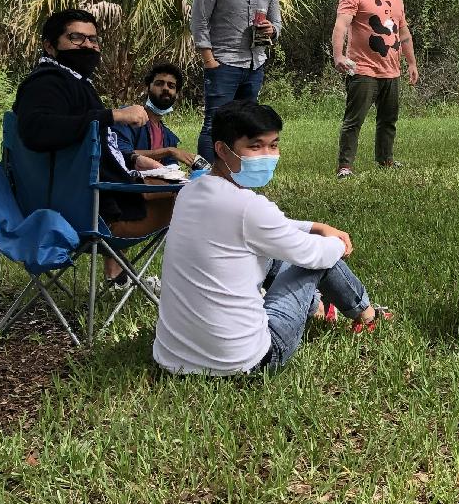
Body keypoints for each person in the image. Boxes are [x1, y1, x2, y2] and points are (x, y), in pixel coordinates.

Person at [153, 100, 390, 376]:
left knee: (282, 254)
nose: (267, 155)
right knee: (320, 259)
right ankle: (367, 314)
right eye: (255, 146)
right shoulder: (249, 208)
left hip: (172, 358)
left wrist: (315, 225)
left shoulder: (189, 191)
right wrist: (338, 243)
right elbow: (315, 255)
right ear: (222, 149)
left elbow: (270, 229)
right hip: (248, 361)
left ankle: (317, 307)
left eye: (273, 145)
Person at [13, 9, 170, 281]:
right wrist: (113, 115)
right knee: (198, 196)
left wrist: (131, 159)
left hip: (79, 197)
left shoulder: (73, 83)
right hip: (87, 213)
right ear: (50, 46)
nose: (87, 45)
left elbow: (79, 143)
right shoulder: (47, 83)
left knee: (179, 184)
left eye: (93, 40)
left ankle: (119, 275)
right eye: (76, 38)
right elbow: (37, 130)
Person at [189, 0, 283, 160]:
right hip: (223, 65)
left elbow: (278, 24)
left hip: (254, 66)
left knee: (245, 128)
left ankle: (237, 179)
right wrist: (209, 60)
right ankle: (207, 181)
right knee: (214, 124)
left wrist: (271, 30)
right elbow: (198, 21)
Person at [331, 0, 420, 178]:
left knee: (388, 120)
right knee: (354, 120)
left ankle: (385, 159)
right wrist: (338, 55)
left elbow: (403, 31)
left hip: (391, 70)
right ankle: (345, 166)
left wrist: (411, 63)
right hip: (362, 69)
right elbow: (341, 25)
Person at [110, 62, 202, 170]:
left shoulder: (169, 137)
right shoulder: (127, 118)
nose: (165, 88)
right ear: (147, 88)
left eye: (171, 86)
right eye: (159, 84)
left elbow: (172, 171)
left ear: (176, 94)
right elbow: (119, 153)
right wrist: (169, 151)